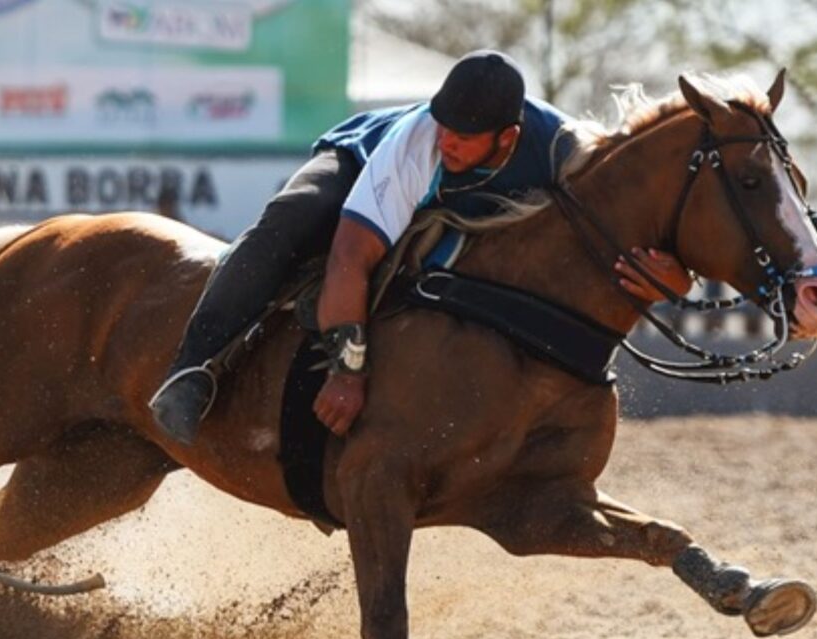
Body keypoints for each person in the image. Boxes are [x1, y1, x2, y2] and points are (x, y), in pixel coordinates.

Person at [150, 50, 690, 445]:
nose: (446, 140)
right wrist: (347, 372)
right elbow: (349, 257)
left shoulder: (565, 149)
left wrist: (676, 276)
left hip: (463, 214)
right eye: (444, 125)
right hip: (358, 161)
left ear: (508, 137)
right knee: (285, 224)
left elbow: (624, 231)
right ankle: (191, 369)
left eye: (464, 135)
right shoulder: (417, 145)